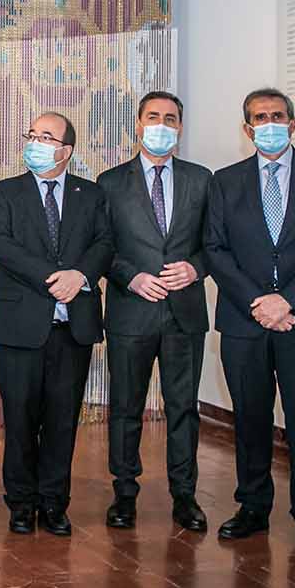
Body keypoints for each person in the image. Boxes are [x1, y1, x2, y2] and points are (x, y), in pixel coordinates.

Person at [204, 87, 295, 555]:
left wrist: (285, 301)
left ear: (292, 122)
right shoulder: (224, 182)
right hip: (245, 320)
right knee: (250, 416)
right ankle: (252, 506)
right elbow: (215, 249)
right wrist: (258, 302)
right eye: (258, 117)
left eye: (277, 115)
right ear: (247, 129)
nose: (268, 122)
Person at [0, 111, 112, 535]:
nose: (36, 142)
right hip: (21, 325)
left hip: (72, 327)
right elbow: (0, 245)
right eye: (32, 134)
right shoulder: (5, 192)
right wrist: (53, 278)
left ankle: (55, 502)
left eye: (47, 136)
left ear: (66, 150)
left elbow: (104, 243)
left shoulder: (91, 195)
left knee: (62, 418)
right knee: (20, 418)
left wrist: (81, 276)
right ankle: (21, 502)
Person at [96, 91, 211, 532]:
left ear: (180, 128)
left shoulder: (202, 180)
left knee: (184, 408)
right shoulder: (109, 183)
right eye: (153, 117)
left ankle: (185, 496)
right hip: (131, 312)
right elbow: (101, 246)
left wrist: (196, 267)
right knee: (126, 408)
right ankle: (125, 493)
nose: (162, 125)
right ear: (138, 125)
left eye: (171, 118)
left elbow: (214, 245)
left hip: (184, 314)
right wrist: (129, 276)